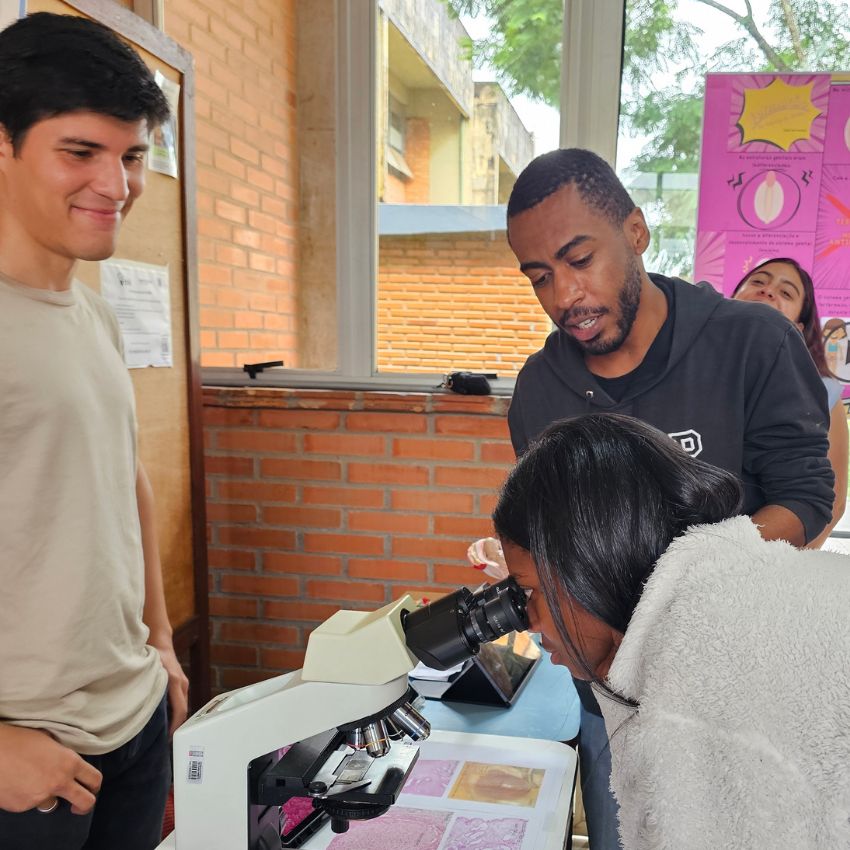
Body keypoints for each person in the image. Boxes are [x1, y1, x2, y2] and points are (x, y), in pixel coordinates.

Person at [504, 148, 834, 849]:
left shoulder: (754, 343)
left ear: (637, 230)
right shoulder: (540, 391)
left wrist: (676, 586)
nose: (565, 296)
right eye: (540, 278)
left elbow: (808, 499)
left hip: (745, 693)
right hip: (612, 699)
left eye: (579, 259)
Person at [0, 13, 188, 850]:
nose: (117, 184)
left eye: (134, 156)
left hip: (133, 718)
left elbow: (128, 477)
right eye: (80, 153)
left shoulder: (91, 309)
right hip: (29, 758)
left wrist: (160, 641)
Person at [492, 412, 850, 850]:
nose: (526, 619)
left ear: (592, 564)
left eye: (530, 591)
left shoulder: (706, 684)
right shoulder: (719, 595)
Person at [732, 257, 848, 547]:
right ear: (729, 300)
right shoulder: (690, 372)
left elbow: (830, 504)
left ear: (797, 327)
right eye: (758, 281)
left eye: (786, 293)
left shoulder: (823, 392)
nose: (768, 291)